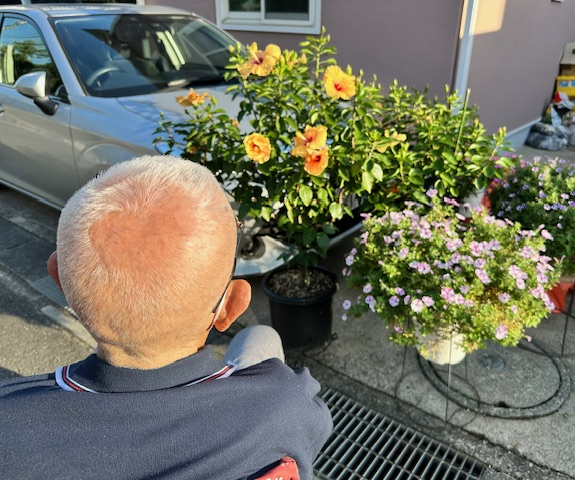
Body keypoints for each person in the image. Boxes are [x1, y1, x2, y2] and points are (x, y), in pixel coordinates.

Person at [0, 155, 333, 480]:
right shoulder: (284, 403)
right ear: (230, 307)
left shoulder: (10, 424)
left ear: (59, 279)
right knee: (261, 336)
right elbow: (317, 425)